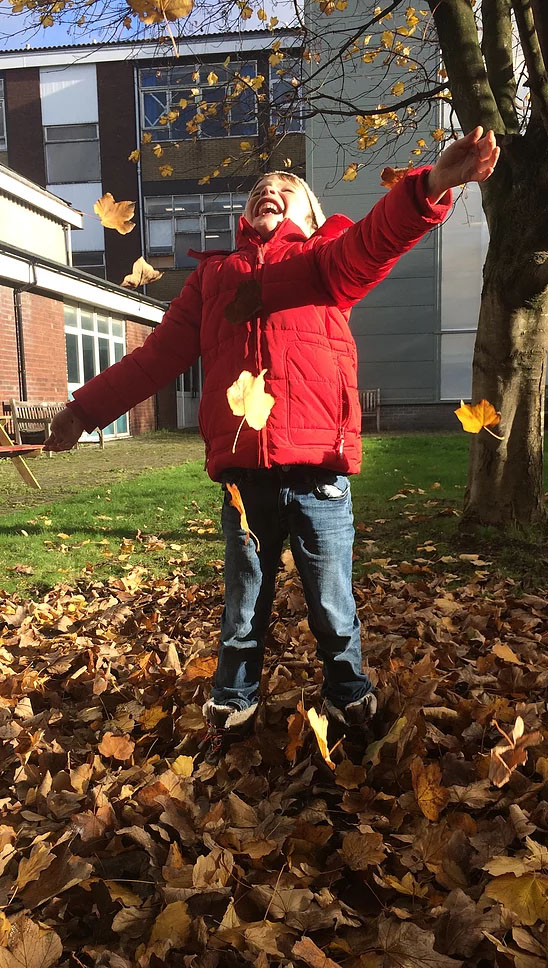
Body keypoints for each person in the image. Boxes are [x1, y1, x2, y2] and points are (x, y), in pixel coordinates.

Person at [46, 127, 499, 763]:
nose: (271, 190)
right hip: (243, 477)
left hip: (318, 472)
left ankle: (348, 692)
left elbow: (374, 241)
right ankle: (234, 702)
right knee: (243, 604)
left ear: (310, 216)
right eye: (261, 188)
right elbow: (152, 361)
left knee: (332, 604)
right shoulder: (212, 280)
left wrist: (432, 186)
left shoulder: (325, 261)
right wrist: (81, 410)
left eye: (287, 188)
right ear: (242, 216)